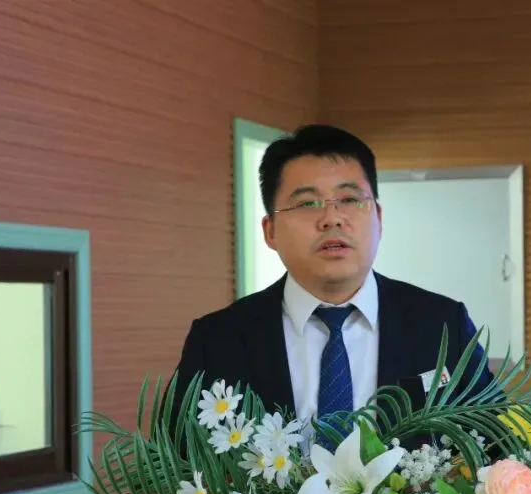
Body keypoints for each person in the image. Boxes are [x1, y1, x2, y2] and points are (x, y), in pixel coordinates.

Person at [170, 123, 494, 440]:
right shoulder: (216, 341)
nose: (332, 218)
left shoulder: (443, 324)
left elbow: (498, 442)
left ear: (379, 218)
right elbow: (173, 462)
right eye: (307, 203)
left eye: (350, 199)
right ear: (270, 231)